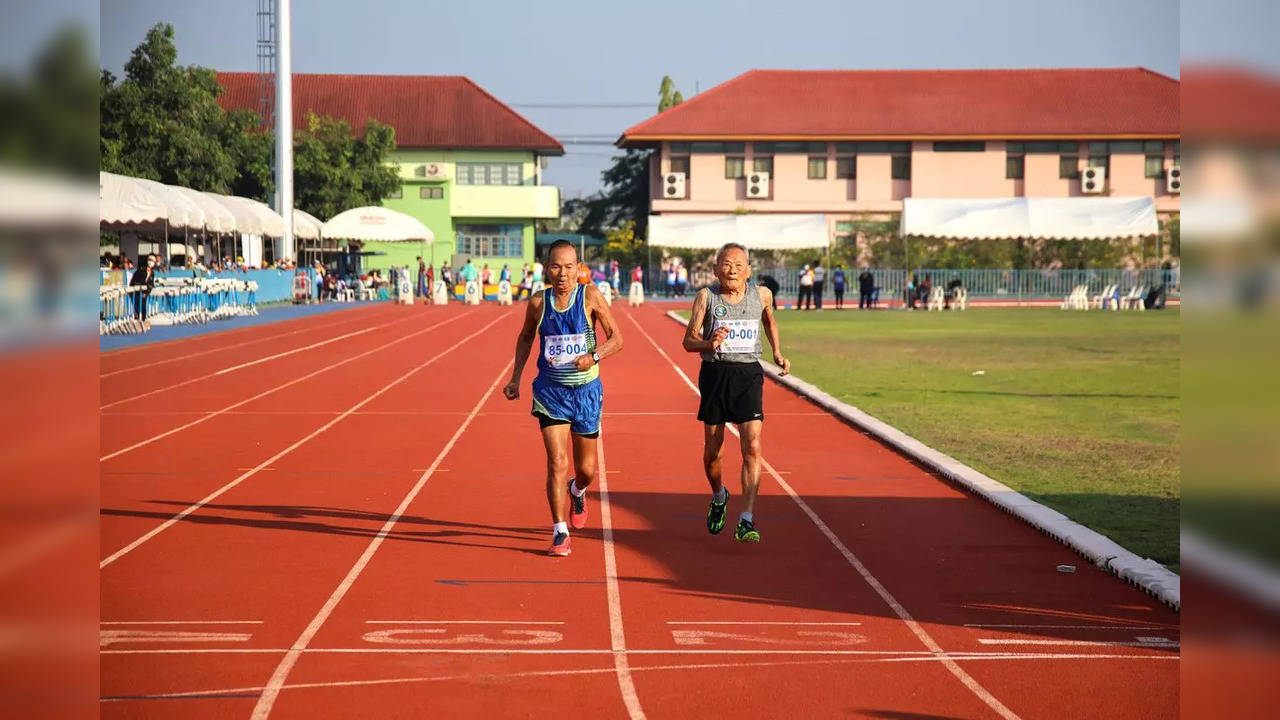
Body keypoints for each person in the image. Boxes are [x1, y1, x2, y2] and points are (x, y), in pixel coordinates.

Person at [503, 240, 624, 556]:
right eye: (556, 266)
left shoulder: (590, 296)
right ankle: (559, 531)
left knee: (586, 469)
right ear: (546, 269)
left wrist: (594, 355)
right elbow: (526, 337)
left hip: (585, 392)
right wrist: (515, 377)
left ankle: (578, 490)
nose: (562, 274)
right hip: (550, 392)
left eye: (569, 267)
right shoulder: (538, 303)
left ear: (579, 269)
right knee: (557, 461)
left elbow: (617, 339)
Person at [682, 243, 789, 544]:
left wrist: (777, 352)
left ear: (749, 271)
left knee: (752, 447)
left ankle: (746, 519)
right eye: (726, 265)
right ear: (716, 269)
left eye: (738, 265)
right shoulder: (706, 297)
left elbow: (769, 317)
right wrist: (708, 343)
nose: (732, 270)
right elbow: (688, 341)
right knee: (713, 453)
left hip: (748, 375)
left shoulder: (762, 294)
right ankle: (719, 495)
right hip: (716, 375)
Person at [129, 254, 156, 322]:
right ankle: (138, 317)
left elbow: (151, 284)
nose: (151, 262)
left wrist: (146, 292)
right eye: (150, 260)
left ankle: (143, 319)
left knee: (143, 305)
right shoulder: (141, 270)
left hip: (144, 292)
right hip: (135, 291)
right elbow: (137, 281)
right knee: (137, 305)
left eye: (153, 261)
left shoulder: (152, 273)